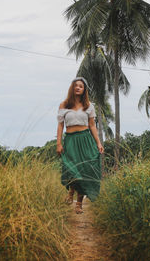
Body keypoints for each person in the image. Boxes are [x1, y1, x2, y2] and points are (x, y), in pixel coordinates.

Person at [56, 77, 104, 214]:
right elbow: (60, 125)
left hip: (85, 140)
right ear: (72, 88)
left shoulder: (89, 105)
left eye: (81, 86)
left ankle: (79, 204)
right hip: (70, 140)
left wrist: (98, 143)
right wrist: (59, 143)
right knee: (71, 168)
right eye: (76, 85)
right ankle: (71, 191)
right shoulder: (64, 105)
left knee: (84, 170)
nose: (78, 88)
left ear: (84, 90)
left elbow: (92, 126)